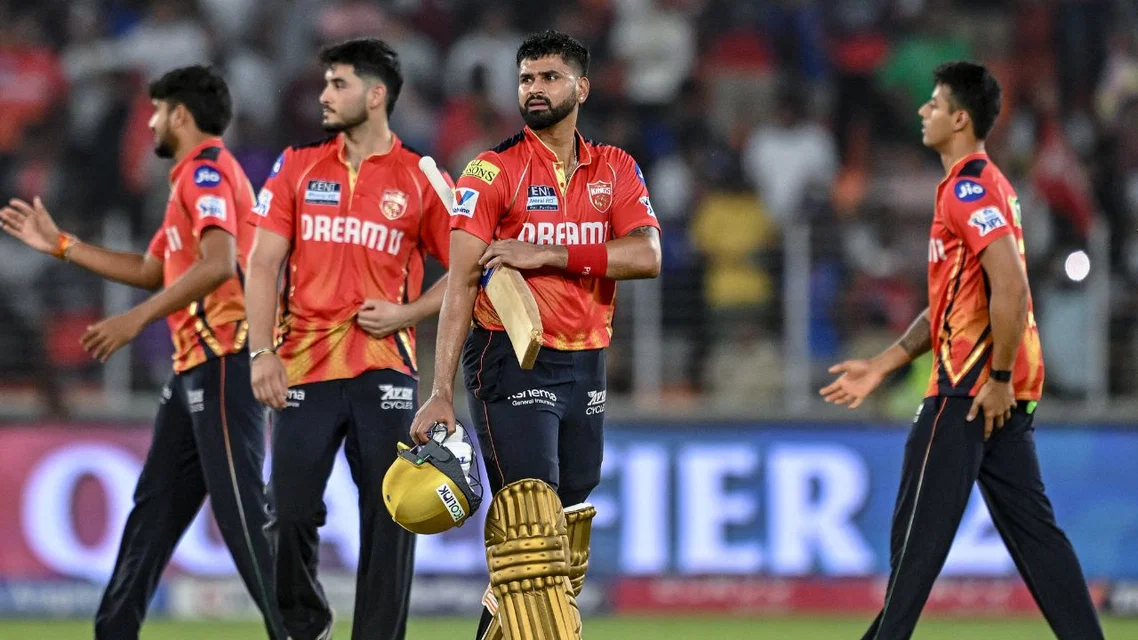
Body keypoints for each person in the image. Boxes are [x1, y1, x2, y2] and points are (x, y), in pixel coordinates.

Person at [820, 61, 1104, 640]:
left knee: (913, 557)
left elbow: (1013, 286)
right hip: (995, 394)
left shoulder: (968, 188)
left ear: (959, 118)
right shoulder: (987, 186)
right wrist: (884, 363)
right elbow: (953, 306)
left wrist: (996, 375)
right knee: (1036, 541)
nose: (923, 112)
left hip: (967, 392)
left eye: (933, 103)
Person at [0, 65, 285, 640]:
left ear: (179, 114)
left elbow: (217, 263)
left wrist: (136, 320)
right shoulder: (188, 180)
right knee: (151, 515)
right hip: (192, 369)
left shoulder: (207, 172)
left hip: (224, 360)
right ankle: (114, 632)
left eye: (155, 111)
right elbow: (154, 268)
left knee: (243, 517)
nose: (149, 122)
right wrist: (62, 245)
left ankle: (300, 629)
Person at [409, 30, 662, 640]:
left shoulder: (616, 168)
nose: (535, 89)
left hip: (587, 362)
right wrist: (440, 389)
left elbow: (647, 254)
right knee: (530, 527)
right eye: (526, 79)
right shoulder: (491, 169)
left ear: (582, 87)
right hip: (510, 360)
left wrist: (547, 252)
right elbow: (463, 280)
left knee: (561, 546)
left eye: (549, 77)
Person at [245, 38, 451, 640]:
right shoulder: (298, 166)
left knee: (392, 516)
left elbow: (471, 269)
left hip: (385, 368)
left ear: (376, 94)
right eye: (325, 84)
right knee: (286, 514)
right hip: (303, 367)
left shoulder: (421, 176)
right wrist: (261, 352)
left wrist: (408, 311)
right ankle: (306, 628)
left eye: (338, 84)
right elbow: (262, 264)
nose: (323, 96)